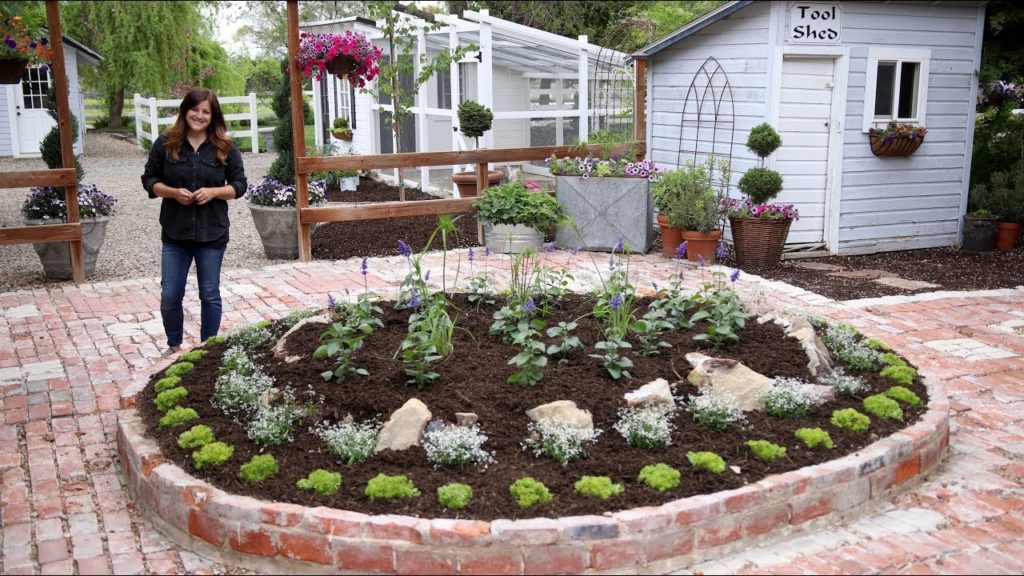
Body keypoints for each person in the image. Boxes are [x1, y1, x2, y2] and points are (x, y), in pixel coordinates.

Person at [141, 88, 247, 355]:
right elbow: (149, 180)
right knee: (170, 295)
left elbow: (240, 185)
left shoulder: (225, 146)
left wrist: (214, 192)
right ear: (185, 110)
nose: (199, 116)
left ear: (213, 116)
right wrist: (173, 193)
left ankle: (207, 349)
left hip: (212, 233)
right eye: (195, 109)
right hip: (175, 232)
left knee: (209, 294)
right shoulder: (166, 143)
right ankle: (174, 345)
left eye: (206, 112)